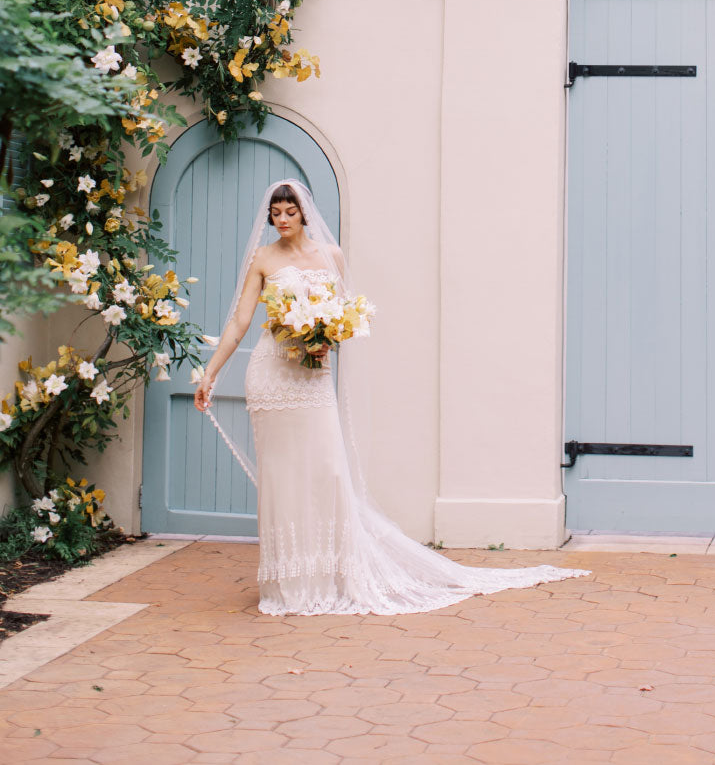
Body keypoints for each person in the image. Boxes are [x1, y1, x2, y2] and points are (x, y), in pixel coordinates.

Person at [194, 178, 587, 616]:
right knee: (281, 479)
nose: (283, 220)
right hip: (271, 377)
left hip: (312, 377)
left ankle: (332, 575)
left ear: (305, 213)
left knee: (328, 473)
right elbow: (240, 322)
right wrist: (210, 374)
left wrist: (327, 341)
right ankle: (289, 583)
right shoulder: (263, 258)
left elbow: (341, 318)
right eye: (276, 214)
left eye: (290, 212)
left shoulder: (331, 256)